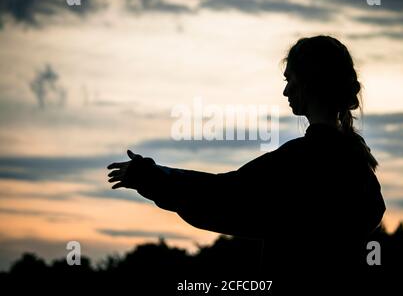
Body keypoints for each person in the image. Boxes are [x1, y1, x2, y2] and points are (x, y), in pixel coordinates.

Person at [107, 35, 385, 277]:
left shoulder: (299, 161)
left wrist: (152, 178)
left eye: (290, 80)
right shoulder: (357, 164)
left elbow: (224, 196)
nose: (285, 91)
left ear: (310, 83)